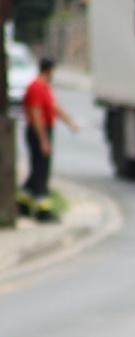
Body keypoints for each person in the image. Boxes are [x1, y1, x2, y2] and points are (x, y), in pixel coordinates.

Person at [18, 57, 79, 220]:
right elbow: (37, 115)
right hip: (38, 131)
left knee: (37, 169)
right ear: (49, 70)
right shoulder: (37, 87)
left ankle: (23, 202)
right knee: (41, 171)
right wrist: (43, 140)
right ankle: (42, 210)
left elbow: (54, 107)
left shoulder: (45, 87)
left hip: (42, 131)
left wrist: (70, 122)